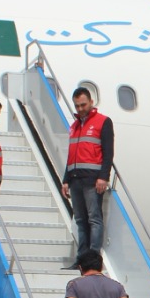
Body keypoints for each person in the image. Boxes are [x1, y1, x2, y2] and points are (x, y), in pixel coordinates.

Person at [65, 85, 115, 264]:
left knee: (94, 218)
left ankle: (93, 258)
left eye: (83, 105)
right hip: (75, 179)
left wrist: (104, 176)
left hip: (93, 179)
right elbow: (71, 155)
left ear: (91, 102)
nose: (80, 109)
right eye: (77, 106)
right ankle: (81, 258)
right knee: (80, 220)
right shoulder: (74, 126)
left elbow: (108, 152)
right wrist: (65, 180)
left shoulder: (103, 122)